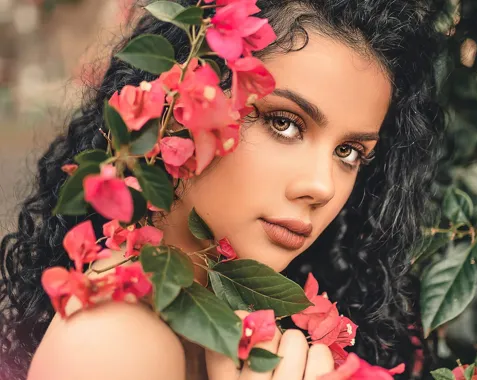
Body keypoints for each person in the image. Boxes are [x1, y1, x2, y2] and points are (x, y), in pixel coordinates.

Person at [0, 0, 445, 379]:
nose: (322, 187)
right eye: (283, 122)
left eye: (349, 152)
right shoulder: (112, 342)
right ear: (181, 107)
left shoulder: (216, 315)